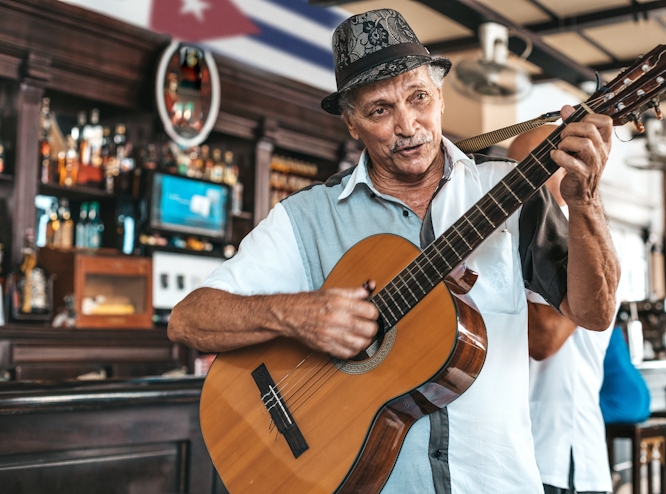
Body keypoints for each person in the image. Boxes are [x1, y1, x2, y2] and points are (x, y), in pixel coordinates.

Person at [168, 9, 620, 493]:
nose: (408, 125)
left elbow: (591, 314)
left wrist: (584, 200)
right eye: (380, 110)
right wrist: (299, 314)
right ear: (352, 123)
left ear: (440, 97)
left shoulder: (509, 192)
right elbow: (189, 320)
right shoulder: (307, 217)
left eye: (418, 98)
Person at [508, 124, 614, 494]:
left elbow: (544, 338)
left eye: (527, 168)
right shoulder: (517, 236)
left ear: (566, 168)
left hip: (561, 453)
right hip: (515, 452)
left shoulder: (588, 241)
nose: (514, 181)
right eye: (513, 167)